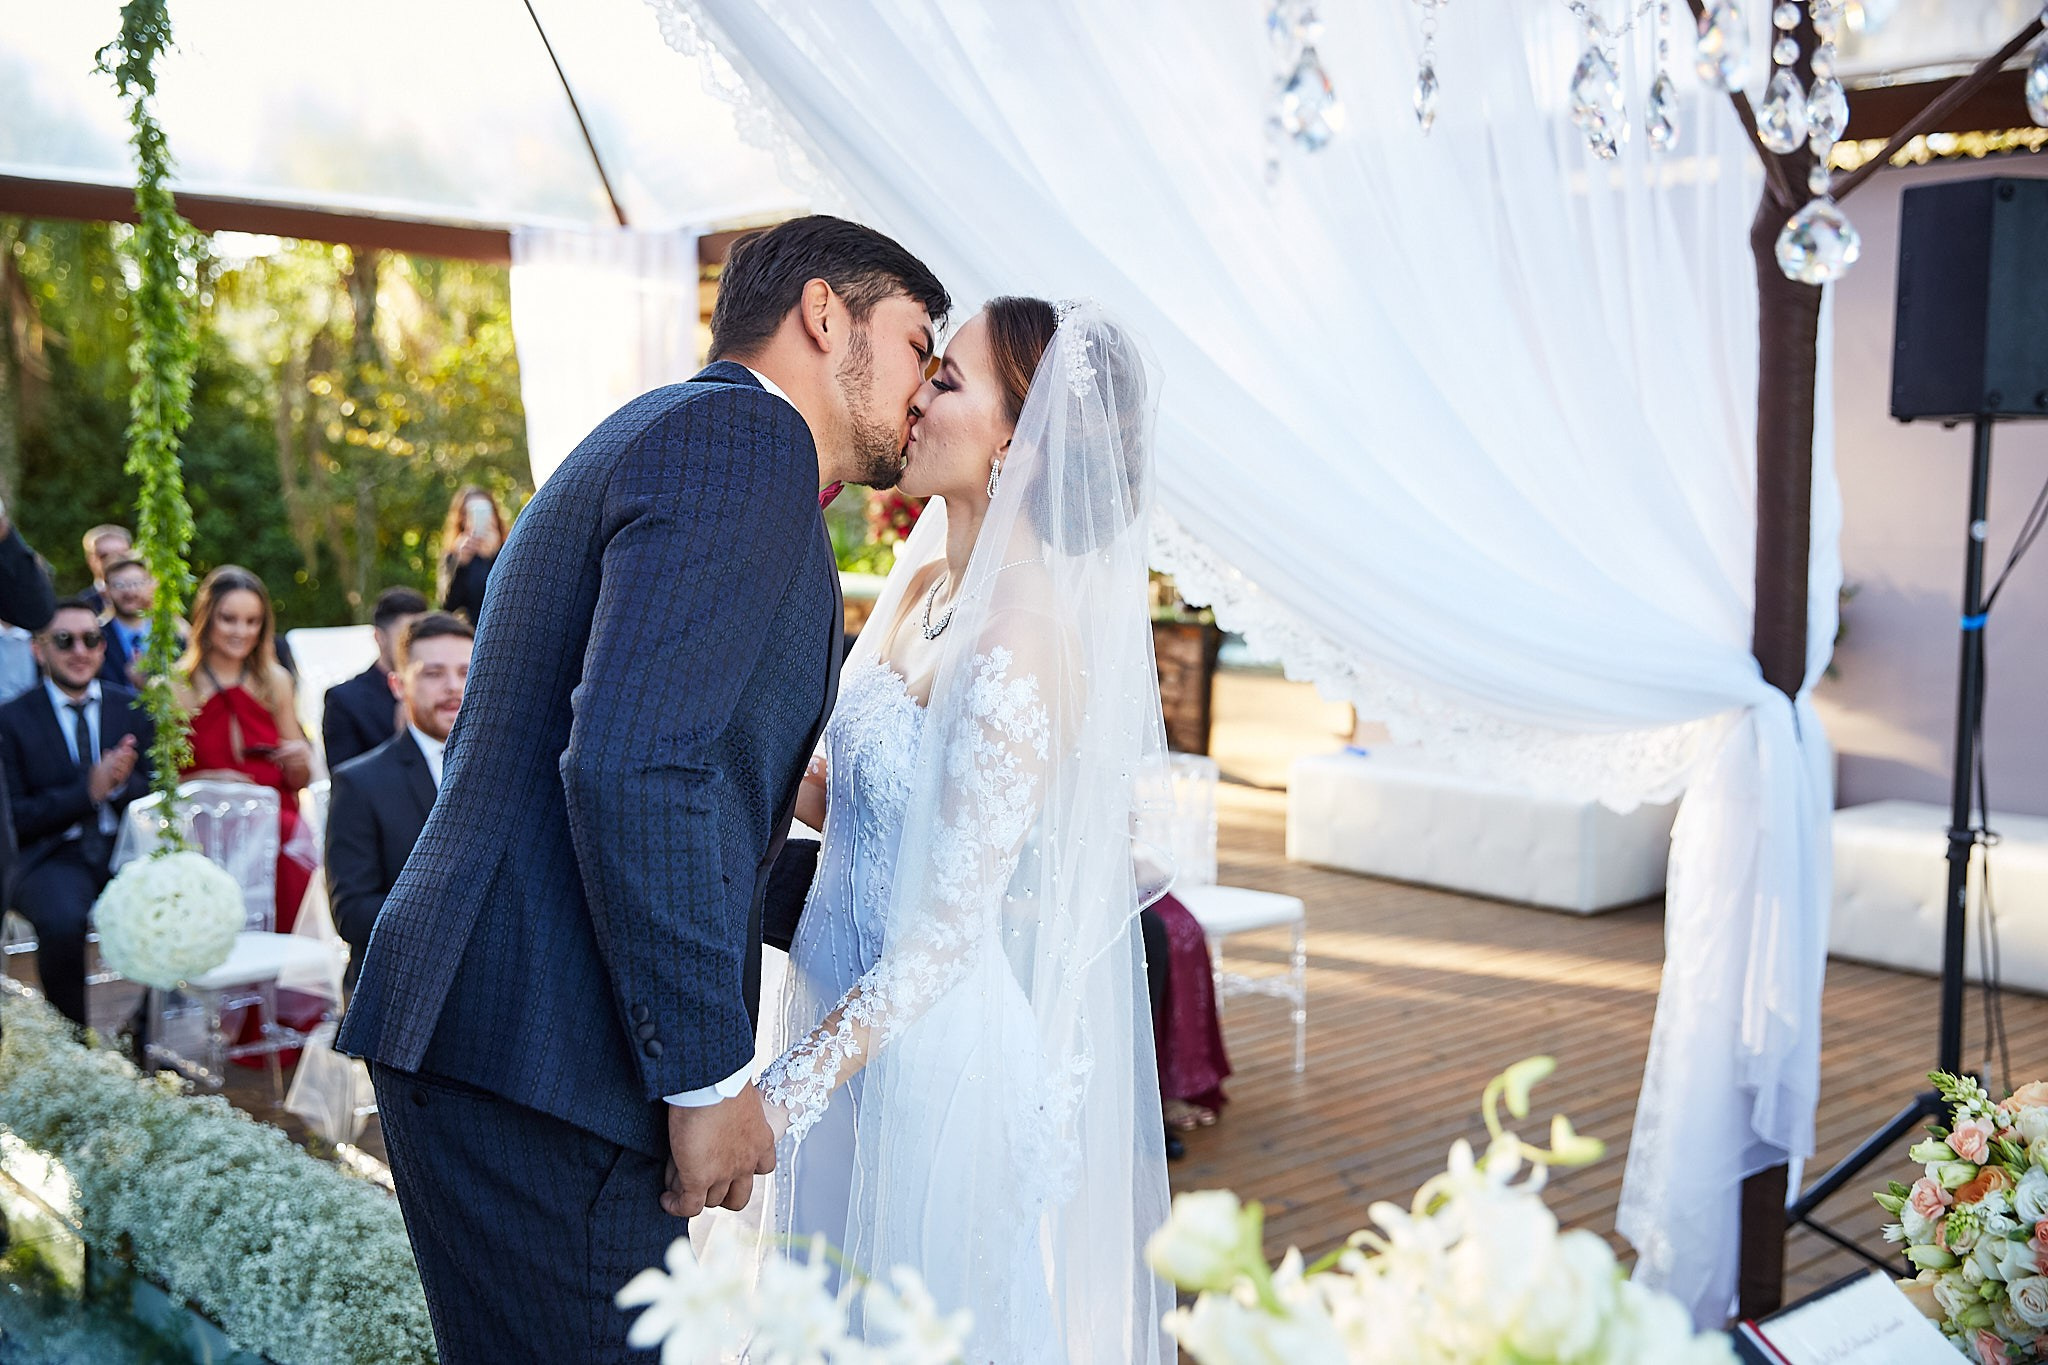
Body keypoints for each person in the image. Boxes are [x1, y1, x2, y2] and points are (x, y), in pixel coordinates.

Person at [337, 214, 949, 1363]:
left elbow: (682, 782)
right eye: (920, 344)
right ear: (826, 315)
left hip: (515, 1037)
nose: (924, 388)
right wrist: (708, 1081)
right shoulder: (740, 449)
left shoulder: (687, 434)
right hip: (542, 1055)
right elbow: (634, 765)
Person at [740, 297, 1173, 1360]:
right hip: (832, 1017)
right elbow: (856, 801)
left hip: (922, 1061)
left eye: (945, 380)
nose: (916, 394)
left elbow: (941, 935)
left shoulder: (1025, 638)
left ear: (1015, 440)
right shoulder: (925, 582)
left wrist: (776, 1098)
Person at [0, 598, 154, 1026]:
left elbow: (155, 793)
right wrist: (87, 790)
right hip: (47, 856)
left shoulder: (133, 709)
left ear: (104, 647)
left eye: (92, 639)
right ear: (38, 649)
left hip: (122, 850)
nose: (80, 651)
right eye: (64, 641)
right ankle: (74, 1040)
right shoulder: (10, 719)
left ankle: (143, 1036)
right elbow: (14, 818)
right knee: (64, 920)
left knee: (172, 903)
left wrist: (122, 785)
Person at [325, 612, 470, 994]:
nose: (454, 687)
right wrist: (456, 917)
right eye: (433, 673)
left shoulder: (513, 773)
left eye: (466, 671)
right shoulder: (360, 782)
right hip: (398, 992)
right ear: (397, 684)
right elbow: (351, 913)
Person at [322, 587, 428, 770]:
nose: (416, 649)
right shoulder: (345, 700)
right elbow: (346, 781)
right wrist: (402, 739)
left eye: (423, 639)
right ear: (379, 638)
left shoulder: (447, 691)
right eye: (406, 640)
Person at [97, 556, 184, 689]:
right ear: (106, 591)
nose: (129, 591)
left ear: (151, 586)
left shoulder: (173, 635)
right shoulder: (95, 637)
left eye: (137, 583)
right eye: (119, 585)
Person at [435, 487, 508, 626]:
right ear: (462, 518)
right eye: (473, 512)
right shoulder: (454, 555)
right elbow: (446, 606)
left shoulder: (509, 548)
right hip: (470, 634)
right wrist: (460, 565)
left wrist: (496, 556)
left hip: (501, 627)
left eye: (485, 511)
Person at [78, 524, 132, 616]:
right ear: (91, 560)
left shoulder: (153, 600)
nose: (114, 560)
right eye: (104, 556)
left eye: (122, 555)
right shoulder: (82, 605)